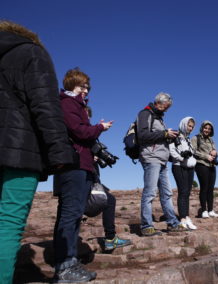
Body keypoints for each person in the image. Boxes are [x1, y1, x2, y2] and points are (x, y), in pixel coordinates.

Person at [0, 21, 76, 283]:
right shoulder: (32, 52)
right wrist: (60, 153)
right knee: (8, 225)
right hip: (19, 153)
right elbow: (45, 105)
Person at [52, 68, 113, 283]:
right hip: (73, 166)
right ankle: (64, 267)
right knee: (70, 215)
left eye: (87, 87)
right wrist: (99, 128)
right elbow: (80, 132)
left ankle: (69, 262)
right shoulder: (68, 104)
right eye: (82, 86)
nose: (85, 90)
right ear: (71, 85)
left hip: (80, 165)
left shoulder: (78, 105)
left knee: (73, 214)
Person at [136, 92, 187, 236]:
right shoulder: (145, 114)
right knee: (150, 192)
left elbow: (158, 137)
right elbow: (142, 136)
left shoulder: (158, 117)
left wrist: (168, 136)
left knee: (167, 193)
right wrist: (165, 134)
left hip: (162, 159)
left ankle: (173, 223)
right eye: (165, 107)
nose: (166, 110)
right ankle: (146, 226)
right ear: (158, 103)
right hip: (151, 158)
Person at [85, 106, 131, 250]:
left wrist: (96, 157)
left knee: (109, 199)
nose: (86, 119)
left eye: (87, 117)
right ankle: (110, 238)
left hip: (90, 177)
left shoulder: (87, 135)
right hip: (79, 177)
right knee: (73, 210)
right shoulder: (74, 130)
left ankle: (110, 238)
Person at [169, 117, 198, 230]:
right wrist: (182, 157)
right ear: (183, 124)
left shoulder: (187, 139)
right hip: (179, 166)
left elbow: (191, 153)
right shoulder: (175, 135)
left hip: (190, 167)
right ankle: (182, 219)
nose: (190, 128)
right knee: (183, 192)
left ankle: (186, 217)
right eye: (189, 125)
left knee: (187, 193)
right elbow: (172, 150)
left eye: (192, 127)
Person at [192, 121, 218, 218]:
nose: (207, 130)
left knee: (211, 188)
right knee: (204, 187)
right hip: (201, 164)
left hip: (212, 166)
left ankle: (211, 210)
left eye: (209, 129)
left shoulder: (211, 140)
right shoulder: (195, 138)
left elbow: (217, 152)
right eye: (205, 128)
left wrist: (215, 152)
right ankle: (204, 210)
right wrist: (206, 156)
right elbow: (193, 151)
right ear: (202, 128)